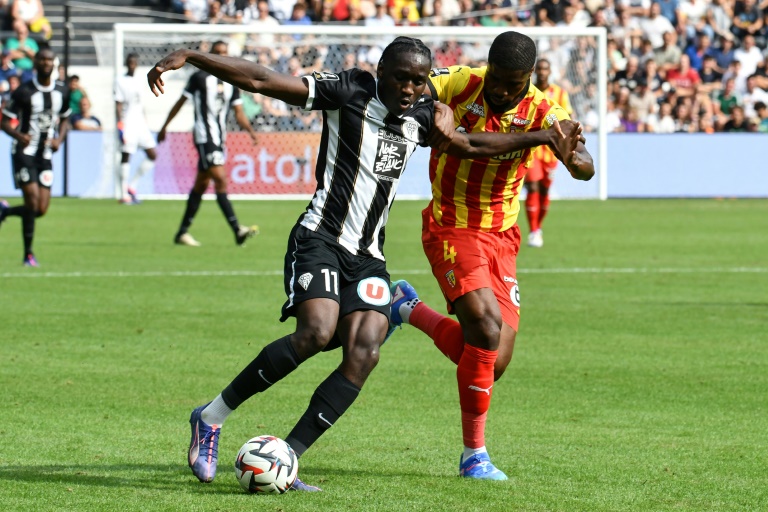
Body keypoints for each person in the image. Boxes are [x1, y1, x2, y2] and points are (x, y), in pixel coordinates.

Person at [147, 36, 583, 491]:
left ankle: (289, 459)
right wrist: (194, 57)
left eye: (419, 81)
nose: (411, 89)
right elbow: (262, 79)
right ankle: (211, 417)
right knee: (316, 333)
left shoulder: (420, 118)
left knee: (364, 350)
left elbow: (470, 145)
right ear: (381, 72)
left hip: (368, 255)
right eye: (401, 78)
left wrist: (542, 137)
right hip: (320, 238)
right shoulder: (347, 91)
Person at [387, 31, 594, 480]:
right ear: (489, 68)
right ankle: (473, 454)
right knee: (484, 326)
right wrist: (430, 104)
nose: (501, 90)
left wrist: (573, 155)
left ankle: (408, 308)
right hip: (451, 224)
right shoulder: (462, 83)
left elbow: (584, 166)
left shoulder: (545, 110)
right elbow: (417, 88)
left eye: (513, 83)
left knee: (491, 360)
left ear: (530, 78)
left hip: (502, 236)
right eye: (498, 79)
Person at [156, 41, 260, 247]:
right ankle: (237, 229)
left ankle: (182, 233)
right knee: (220, 179)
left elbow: (238, 112)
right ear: (211, 55)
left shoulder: (232, 82)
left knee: (201, 184)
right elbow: (180, 102)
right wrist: (164, 126)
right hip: (204, 137)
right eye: (218, 53)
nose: (222, 57)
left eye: (225, 53)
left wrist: (250, 131)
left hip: (220, 138)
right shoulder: (199, 78)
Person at [0, 49, 69, 266]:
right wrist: (19, 135)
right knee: (31, 203)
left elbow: (65, 119)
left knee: (41, 209)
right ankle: (28, 254)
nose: (47, 63)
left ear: (54, 63)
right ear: (36, 64)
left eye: (50, 59)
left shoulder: (62, 91)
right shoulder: (24, 91)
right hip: (24, 153)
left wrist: (60, 139)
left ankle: (5, 211)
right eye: (43, 59)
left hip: (45, 155)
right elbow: (3, 121)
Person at [524, 57, 573, 248]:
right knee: (533, 187)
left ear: (550, 71)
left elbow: (567, 119)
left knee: (544, 190)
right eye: (540, 69)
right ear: (536, 71)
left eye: (546, 68)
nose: (543, 72)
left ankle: (538, 227)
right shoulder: (528, 90)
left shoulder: (560, 93)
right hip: (533, 148)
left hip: (551, 151)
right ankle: (534, 230)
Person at [114, 53, 157, 204]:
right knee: (126, 156)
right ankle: (123, 193)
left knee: (153, 154)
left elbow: (141, 104)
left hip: (141, 124)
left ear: (137, 64)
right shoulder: (120, 80)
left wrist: (146, 121)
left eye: (134, 62)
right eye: (130, 62)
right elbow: (118, 104)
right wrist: (120, 124)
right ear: (126, 63)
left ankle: (132, 185)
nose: (132, 65)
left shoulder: (140, 80)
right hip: (128, 123)